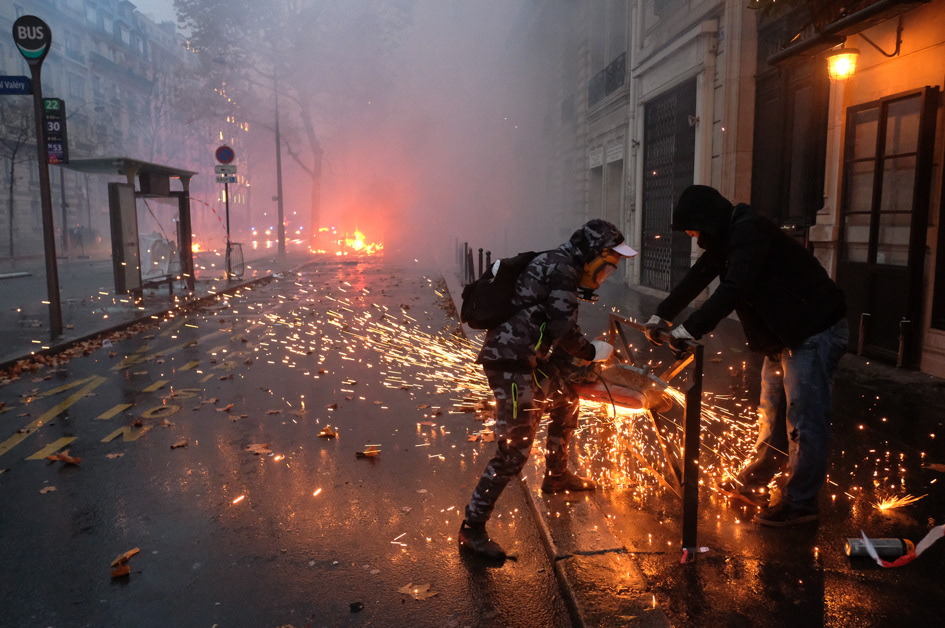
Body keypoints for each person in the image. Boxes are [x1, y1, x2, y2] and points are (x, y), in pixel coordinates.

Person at [644, 185, 847, 527]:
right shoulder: (726, 236)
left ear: (707, 219)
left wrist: (689, 329)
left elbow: (734, 287)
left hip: (813, 331)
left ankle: (801, 504)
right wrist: (662, 314)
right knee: (771, 415)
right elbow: (699, 276)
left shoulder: (751, 230)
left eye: (692, 228)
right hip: (782, 335)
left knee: (803, 421)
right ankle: (755, 482)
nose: (692, 235)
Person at [459, 219, 637, 559]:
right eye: (606, 266)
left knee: (566, 400)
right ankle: (472, 528)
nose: (605, 274)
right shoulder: (562, 269)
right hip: (511, 363)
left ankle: (557, 476)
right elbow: (562, 329)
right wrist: (590, 352)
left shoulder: (561, 264)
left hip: (529, 360)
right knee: (513, 452)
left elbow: (552, 323)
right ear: (592, 254)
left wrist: (570, 366)